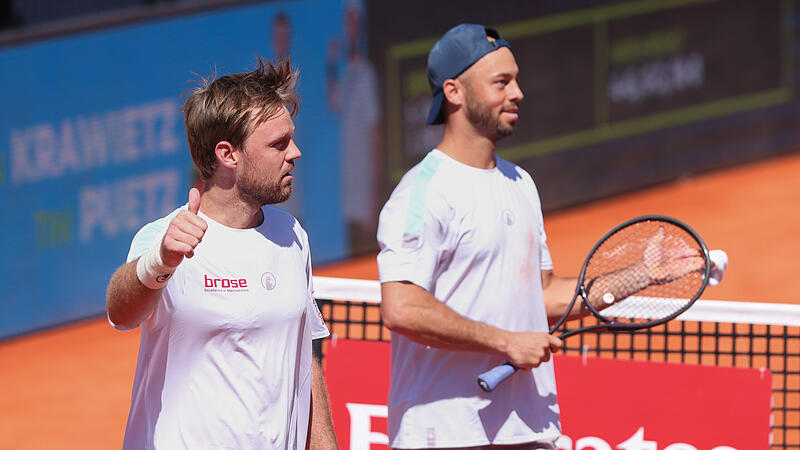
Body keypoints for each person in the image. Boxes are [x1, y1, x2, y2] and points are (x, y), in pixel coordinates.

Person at [376, 24, 708, 449]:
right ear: (454, 92)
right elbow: (402, 308)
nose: (518, 93)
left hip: (529, 430)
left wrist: (641, 274)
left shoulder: (520, 184)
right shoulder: (423, 192)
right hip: (446, 434)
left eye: (516, 79)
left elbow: (547, 297)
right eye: (501, 82)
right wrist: (505, 342)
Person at [106, 57, 338, 449]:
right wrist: (158, 262)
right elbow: (120, 311)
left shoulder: (293, 235)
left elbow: (305, 359)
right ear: (228, 155)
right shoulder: (166, 238)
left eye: (291, 138)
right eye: (278, 144)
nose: (295, 152)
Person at [326, 0, 383, 256]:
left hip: (363, 191)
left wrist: (374, 195)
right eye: (346, 21)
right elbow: (333, 101)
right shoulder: (345, 71)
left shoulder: (366, 73)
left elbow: (375, 131)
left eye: (354, 21)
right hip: (345, 193)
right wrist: (331, 65)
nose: (350, 28)